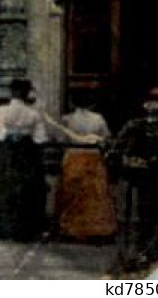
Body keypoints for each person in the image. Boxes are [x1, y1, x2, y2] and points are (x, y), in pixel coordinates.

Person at [107, 87, 158, 274]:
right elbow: (116, 152)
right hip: (141, 180)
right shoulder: (135, 127)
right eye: (157, 103)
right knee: (140, 219)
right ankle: (135, 259)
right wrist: (133, 163)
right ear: (147, 105)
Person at [0, 78, 50, 242]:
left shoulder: (3, 111)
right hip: (27, 153)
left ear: (11, 92)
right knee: (26, 190)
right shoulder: (34, 114)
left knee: (5, 188)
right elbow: (40, 140)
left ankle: (4, 227)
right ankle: (25, 228)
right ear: (27, 94)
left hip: (6, 153)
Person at [52, 97, 115, 241]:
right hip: (93, 155)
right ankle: (95, 228)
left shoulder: (67, 119)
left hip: (74, 154)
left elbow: (61, 139)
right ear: (92, 103)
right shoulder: (98, 119)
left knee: (72, 191)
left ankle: (69, 228)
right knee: (94, 192)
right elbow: (105, 138)